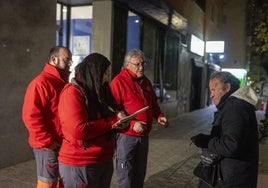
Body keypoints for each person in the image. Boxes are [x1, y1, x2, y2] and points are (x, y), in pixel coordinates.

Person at [57, 53, 127, 188]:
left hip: (102, 159)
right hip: (80, 162)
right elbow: (78, 130)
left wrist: (121, 121)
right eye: (104, 73)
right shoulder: (72, 93)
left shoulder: (99, 92)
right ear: (94, 72)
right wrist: (112, 122)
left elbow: (111, 114)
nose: (107, 78)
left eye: (108, 73)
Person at [110, 49, 169, 188]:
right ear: (127, 65)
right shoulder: (118, 82)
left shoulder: (145, 82)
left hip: (143, 135)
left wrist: (159, 116)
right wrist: (131, 124)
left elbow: (153, 103)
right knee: (126, 176)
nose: (141, 67)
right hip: (126, 136)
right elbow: (114, 111)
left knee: (139, 174)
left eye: (143, 64)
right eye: (137, 64)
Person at [191, 71, 259, 188]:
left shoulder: (235, 107)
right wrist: (204, 139)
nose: (211, 95)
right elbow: (229, 138)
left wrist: (205, 142)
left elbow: (231, 145)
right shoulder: (232, 105)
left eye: (213, 89)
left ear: (227, 87)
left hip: (231, 179)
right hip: (229, 176)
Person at [22, 46, 72, 188]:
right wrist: (47, 141)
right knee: (47, 183)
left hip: (61, 143)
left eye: (70, 60)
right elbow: (30, 116)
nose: (69, 63)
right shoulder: (40, 83)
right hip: (48, 145)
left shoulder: (62, 83)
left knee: (62, 181)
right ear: (54, 59)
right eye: (66, 59)